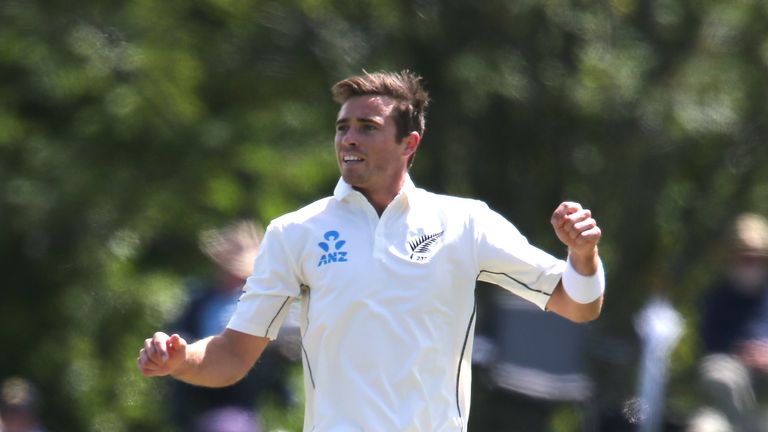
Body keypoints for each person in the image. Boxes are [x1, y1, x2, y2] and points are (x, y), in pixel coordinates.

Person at [137, 70, 606, 431]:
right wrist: (181, 361)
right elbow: (231, 355)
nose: (349, 139)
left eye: (367, 126)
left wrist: (583, 256)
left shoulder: (465, 222)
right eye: (342, 128)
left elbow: (576, 304)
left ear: (409, 143)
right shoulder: (295, 232)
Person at [168, 220, 297, 432]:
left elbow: (288, 345)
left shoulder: (259, 302)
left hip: (244, 401)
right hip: (201, 399)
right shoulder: (199, 301)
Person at [692, 213, 768, 432]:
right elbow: (709, 347)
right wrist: (742, 352)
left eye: (755, 259)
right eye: (744, 258)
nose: (749, 265)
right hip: (733, 378)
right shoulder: (717, 297)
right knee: (716, 375)